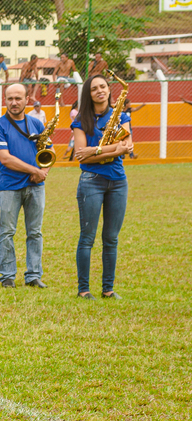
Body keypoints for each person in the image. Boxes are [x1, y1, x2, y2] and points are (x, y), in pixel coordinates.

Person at [72, 75, 132, 299]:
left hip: (118, 181)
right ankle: (84, 290)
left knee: (111, 238)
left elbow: (127, 146)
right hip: (91, 181)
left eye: (103, 87)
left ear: (109, 90)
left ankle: (108, 290)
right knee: (87, 237)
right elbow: (81, 156)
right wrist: (111, 150)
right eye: (94, 88)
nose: (100, 91)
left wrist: (94, 150)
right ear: (88, 93)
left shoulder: (121, 116)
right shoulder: (80, 120)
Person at [0, 83, 51, 289]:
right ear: (5, 100)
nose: (14, 103)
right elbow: (5, 159)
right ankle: (7, 276)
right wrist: (34, 171)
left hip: (36, 187)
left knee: (35, 232)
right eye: (10, 99)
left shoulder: (37, 125)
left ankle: (33, 275)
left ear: (27, 100)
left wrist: (44, 173)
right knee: (7, 232)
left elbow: (48, 153)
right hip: (10, 186)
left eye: (18, 98)